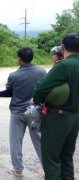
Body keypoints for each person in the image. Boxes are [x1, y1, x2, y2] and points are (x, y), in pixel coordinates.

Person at [0, 46, 46, 177]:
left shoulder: (13, 76)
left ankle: (18, 171)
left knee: (15, 142)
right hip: (36, 113)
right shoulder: (42, 72)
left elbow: (9, 92)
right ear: (32, 57)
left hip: (17, 113)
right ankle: (48, 169)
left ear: (19, 59)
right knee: (40, 142)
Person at [33, 33, 79, 180]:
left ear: (63, 47)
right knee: (67, 158)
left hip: (58, 118)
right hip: (75, 117)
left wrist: (36, 100)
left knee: (52, 160)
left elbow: (40, 88)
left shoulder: (64, 65)